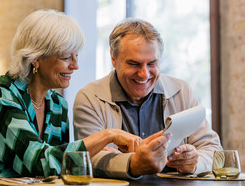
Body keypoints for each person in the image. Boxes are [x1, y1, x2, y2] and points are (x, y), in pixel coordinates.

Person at [0, 10, 142, 179]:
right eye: (65, 57)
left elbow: (61, 166)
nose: (75, 65)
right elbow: (39, 163)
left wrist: (104, 155)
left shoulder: (57, 104)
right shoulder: (1, 93)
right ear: (36, 58)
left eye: (76, 55)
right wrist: (107, 135)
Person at [73, 18, 222, 179]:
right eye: (134, 64)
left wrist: (194, 162)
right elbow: (86, 158)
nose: (144, 74)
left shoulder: (182, 91)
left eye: (152, 63)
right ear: (113, 58)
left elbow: (213, 150)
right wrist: (133, 164)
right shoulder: (89, 98)